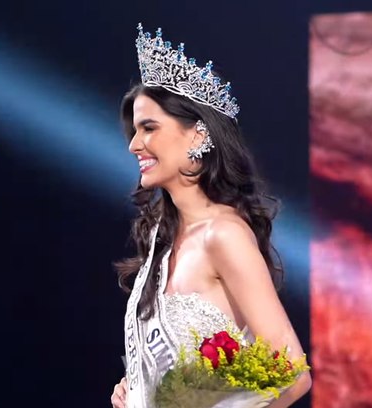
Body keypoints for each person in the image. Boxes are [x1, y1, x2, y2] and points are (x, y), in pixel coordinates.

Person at [110, 24, 312, 408]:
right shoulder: (159, 239)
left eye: (149, 128)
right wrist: (138, 390)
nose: (135, 144)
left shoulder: (223, 234)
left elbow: (292, 375)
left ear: (198, 137)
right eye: (134, 131)